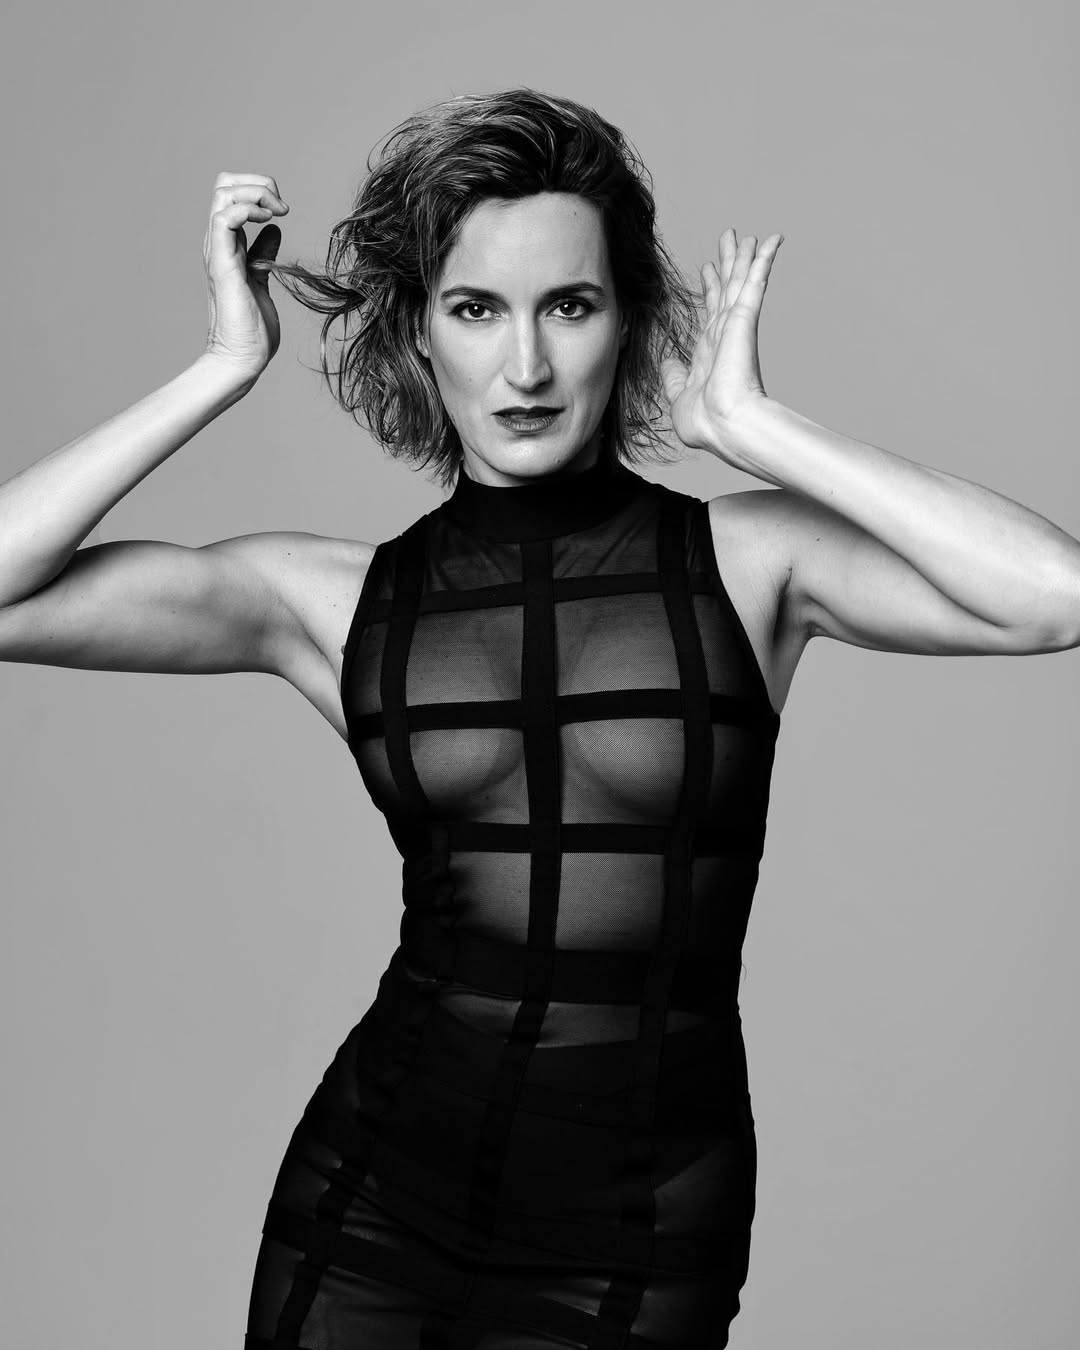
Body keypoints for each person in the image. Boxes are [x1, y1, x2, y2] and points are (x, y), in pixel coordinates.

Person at [1, 87, 1077, 1349]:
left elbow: (1052, 598)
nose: (525, 367)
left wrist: (759, 430)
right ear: (418, 331)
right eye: (476, 309)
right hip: (373, 1198)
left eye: (569, 306)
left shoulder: (747, 563)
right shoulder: (336, 600)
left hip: (639, 1228)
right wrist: (221, 369)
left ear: (631, 322)